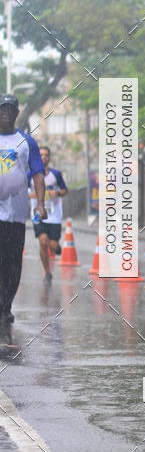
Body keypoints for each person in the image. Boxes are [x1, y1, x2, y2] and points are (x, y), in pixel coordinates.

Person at [0, 94, 46, 322]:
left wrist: (40, 203)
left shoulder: (26, 142)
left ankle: (5, 306)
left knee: (13, 262)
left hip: (17, 215)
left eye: (10, 110)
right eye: (2, 109)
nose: (6, 113)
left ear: (17, 113)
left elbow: (38, 175)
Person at [29, 146, 68, 283]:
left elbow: (65, 190)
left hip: (54, 215)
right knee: (43, 241)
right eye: (41, 155)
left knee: (52, 245)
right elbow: (25, 193)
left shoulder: (56, 174)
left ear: (49, 158)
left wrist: (56, 193)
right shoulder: (30, 174)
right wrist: (40, 195)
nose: (43, 157)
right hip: (38, 214)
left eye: (46, 155)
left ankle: (56, 248)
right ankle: (47, 273)